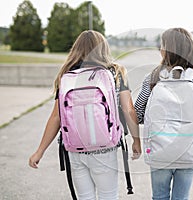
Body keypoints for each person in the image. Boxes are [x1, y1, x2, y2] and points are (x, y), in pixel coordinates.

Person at [29, 30, 141, 200]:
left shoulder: (66, 76)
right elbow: (128, 109)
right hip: (105, 148)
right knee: (108, 196)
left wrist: (40, 151)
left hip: (76, 149)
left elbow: (56, 117)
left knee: (85, 197)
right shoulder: (116, 72)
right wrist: (136, 140)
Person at [134, 27, 193, 200]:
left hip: (160, 149)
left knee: (159, 196)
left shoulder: (153, 77)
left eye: (162, 45)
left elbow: (137, 114)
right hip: (188, 150)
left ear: (167, 49)